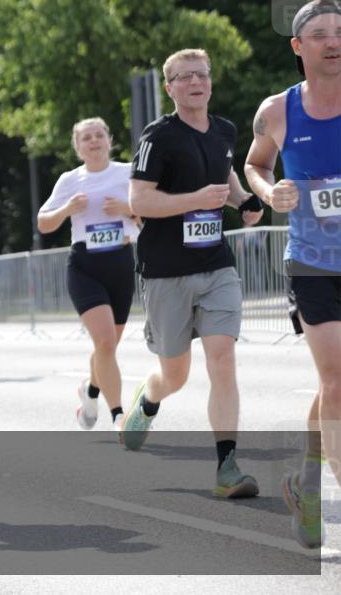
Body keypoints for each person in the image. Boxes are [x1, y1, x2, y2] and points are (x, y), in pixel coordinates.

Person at [126, 48, 265, 499]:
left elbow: (223, 175)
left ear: (210, 81)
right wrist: (196, 199)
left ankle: (227, 465)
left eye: (201, 74)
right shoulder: (158, 136)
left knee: (222, 358)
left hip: (215, 263)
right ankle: (149, 398)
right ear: (169, 88)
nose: (195, 82)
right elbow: (140, 202)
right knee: (176, 375)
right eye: (184, 77)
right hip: (166, 270)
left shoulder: (223, 130)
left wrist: (242, 201)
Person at [243, 0, 341, 549]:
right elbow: (255, 163)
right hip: (312, 263)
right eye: (322, 33)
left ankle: (305, 481)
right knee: (336, 381)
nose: (334, 42)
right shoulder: (278, 111)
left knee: (338, 387)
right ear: (299, 47)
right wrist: (267, 190)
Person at [38, 117, 139, 434]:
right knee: (106, 341)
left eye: (99, 136)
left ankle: (91, 393)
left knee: (106, 348)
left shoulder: (128, 173)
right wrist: (67, 209)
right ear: (77, 146)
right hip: (85, 267)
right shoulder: (70, 180)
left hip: (121, 262)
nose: (94, 142)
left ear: (110, 140)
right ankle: (119, 416)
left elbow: (151, 215)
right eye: (86, 138)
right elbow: (43, 223)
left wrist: (126, 208)